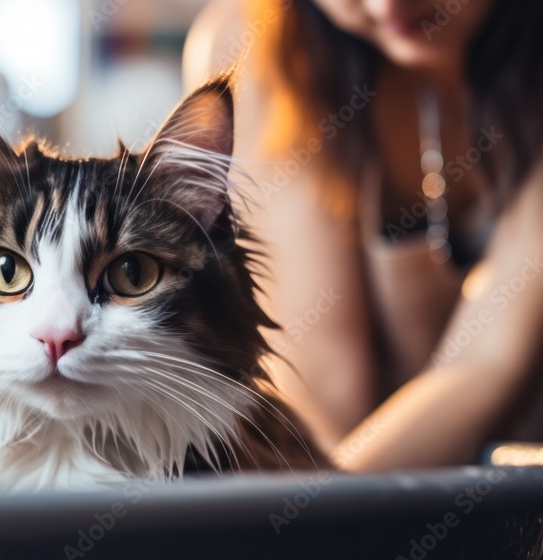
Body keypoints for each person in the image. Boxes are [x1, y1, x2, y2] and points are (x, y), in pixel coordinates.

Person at [182, 0, 543, 471]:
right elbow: (323, 390)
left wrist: (319, 525)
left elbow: (487, 364)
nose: (386, 5)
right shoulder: (260, 45)